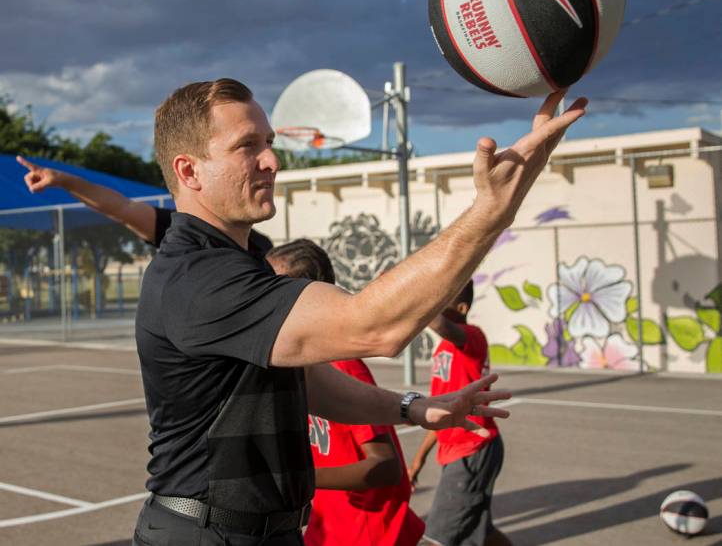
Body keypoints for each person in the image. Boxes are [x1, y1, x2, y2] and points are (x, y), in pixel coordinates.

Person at [132, 77, 585, 546]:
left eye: (268, 142)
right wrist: (493, 210)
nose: (272, 160)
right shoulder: (198, 278)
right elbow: (375, 327)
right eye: (247, 146)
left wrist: (412, 408)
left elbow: (307, 382)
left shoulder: (235, 264)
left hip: (260, 532)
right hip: (204, 535)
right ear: (189, 172)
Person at [265, 239, 425, 546]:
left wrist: (301, 478)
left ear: (306, 294)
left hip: (366, 532)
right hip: (330, 527)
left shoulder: (341, 363)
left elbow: (387, 466)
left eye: (273, 285)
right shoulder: (300, 358)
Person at [408, 281, 511, 546]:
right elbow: (440, 413)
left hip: (473, 449)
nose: (438, 306)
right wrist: (419, 459)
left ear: (463, 308)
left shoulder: (473, 337)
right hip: (458, 451)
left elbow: (441, 325)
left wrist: (413, 296)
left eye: (444, 301)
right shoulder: (443, 350)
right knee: (480, 533)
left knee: (436, 538)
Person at [16, 154, 273, 255]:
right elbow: (121, 208)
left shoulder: (262, 248)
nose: (270, 164)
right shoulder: (183, 232)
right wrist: (65, 181)